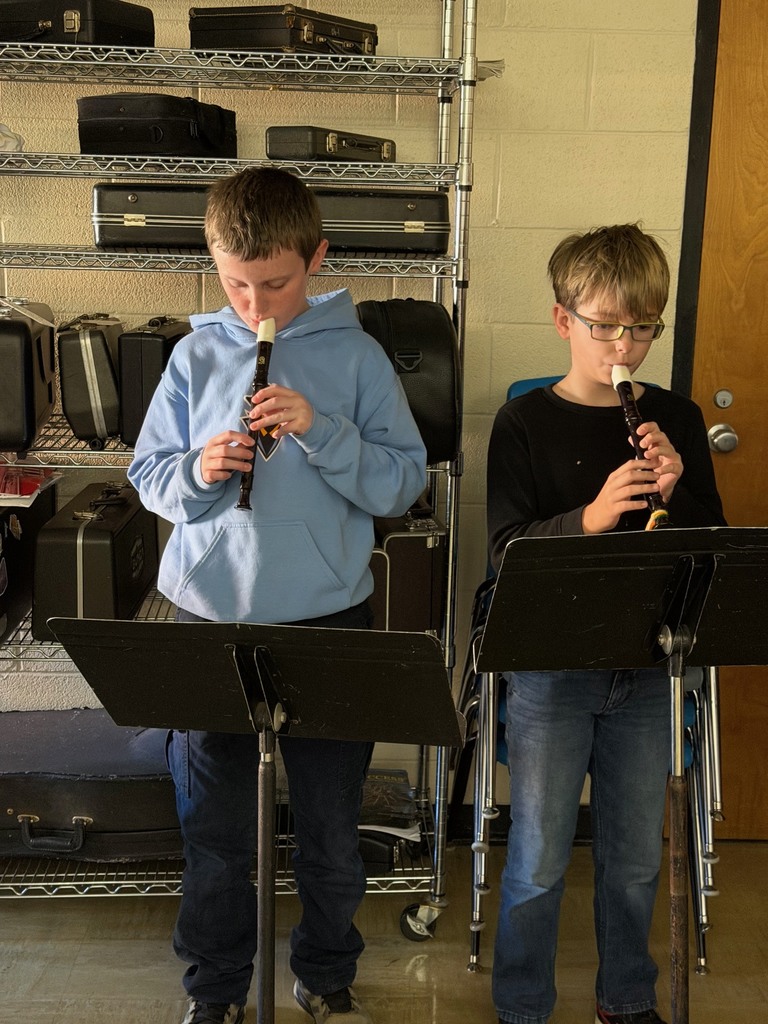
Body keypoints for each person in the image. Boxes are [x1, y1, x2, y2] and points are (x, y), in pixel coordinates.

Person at [128, 166, 427, 1024]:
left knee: (332, 830)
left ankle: (326, 978)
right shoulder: (194, 354)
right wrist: (202, 470)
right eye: (235, 282)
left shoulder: (358, 354)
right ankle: (215, 991)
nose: (255, 301)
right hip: (209, 619)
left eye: (277, 283)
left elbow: (399, 484)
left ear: (319, 259)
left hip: (329, 620)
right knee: (215, 834)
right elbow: (151, 477)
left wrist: (322, 430)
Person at [486, 223, 726, 1024]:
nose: (626, 344)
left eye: (643, 327)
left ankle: (626, 1001)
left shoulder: (678, 419)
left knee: (631, 864)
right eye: (606, 326)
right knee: (540, 859)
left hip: (650, 663)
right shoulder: (522, 423)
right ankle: (523, 1006)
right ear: (563, 321)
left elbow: (709, 550)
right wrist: (588, 518)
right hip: (553, 669)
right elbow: (504, 553)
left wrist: (679, 487)